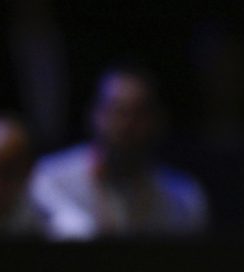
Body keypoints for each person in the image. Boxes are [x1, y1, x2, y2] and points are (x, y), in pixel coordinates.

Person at [31, 63, 209, 240]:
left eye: (139, 113)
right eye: (117, 111)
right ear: (94, 115)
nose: (127, 125)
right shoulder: (49, 181)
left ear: (158, 121)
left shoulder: (184, 199)